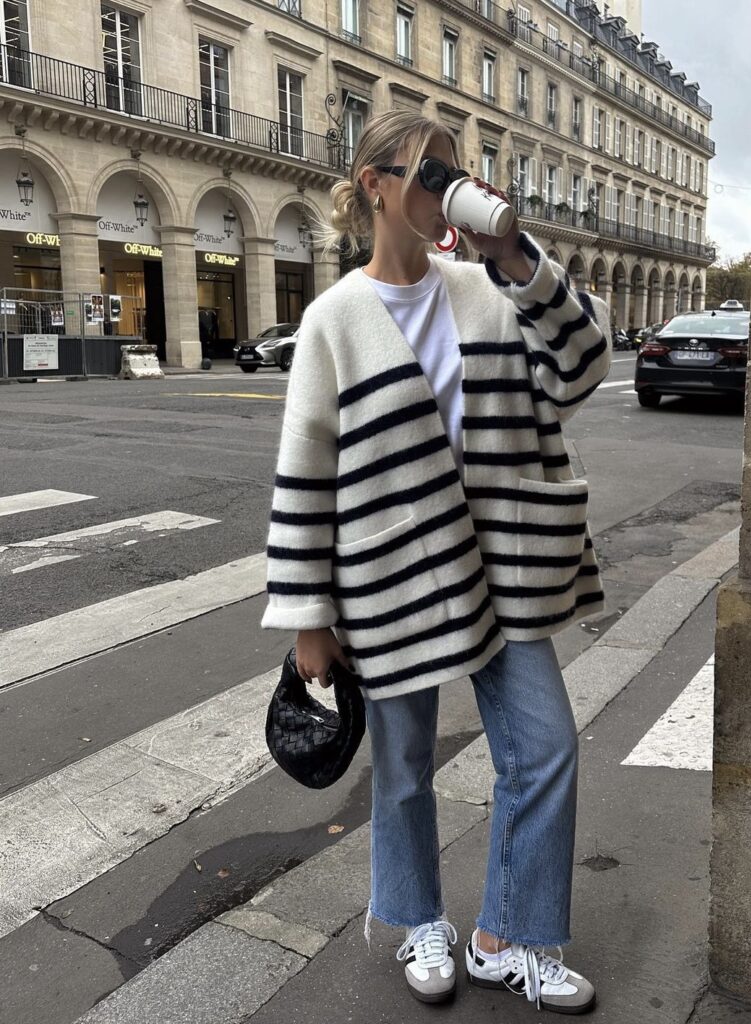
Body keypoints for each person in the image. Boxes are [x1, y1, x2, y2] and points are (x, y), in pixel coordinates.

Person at [261, 110, 611, 1014]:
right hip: (392, 581)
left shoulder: (489, 289)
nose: (444, 190)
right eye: (427, 173)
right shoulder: (334, 319)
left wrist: (521, 256)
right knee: (405, 768)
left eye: (454, 173)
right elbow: (304, 474)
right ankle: (419, 917)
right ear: (374, 183)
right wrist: (309, 618)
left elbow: (582, 369)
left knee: (544, 750)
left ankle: (508, 934)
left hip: (506, 575)